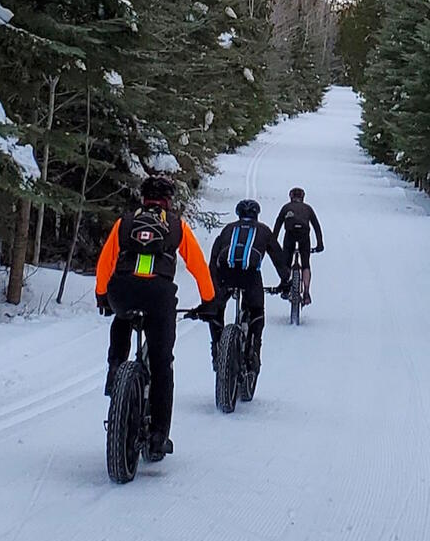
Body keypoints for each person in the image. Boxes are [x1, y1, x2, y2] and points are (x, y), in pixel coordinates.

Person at [95, 175, 216, 461]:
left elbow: (105, 261)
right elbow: (198, 266)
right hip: (159, 295)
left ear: (144, 198)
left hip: (122, 291)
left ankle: (115, 372)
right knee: (162, 363)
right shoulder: (177, 225)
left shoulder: (124, 222)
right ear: (169, 201)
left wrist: (103, 296)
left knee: (122, 319)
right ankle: (159, 434)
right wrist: (209, 301)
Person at [202, 199, 291, 374]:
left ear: (238, 214)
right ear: (256, 215)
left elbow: (213, 258)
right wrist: (285, 282)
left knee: (216, 309)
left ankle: (217, 346)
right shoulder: (264, 230)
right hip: (250, 276)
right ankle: (253, 351)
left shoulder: (228, 229)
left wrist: (213, 286)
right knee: (257, 311)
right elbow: (279, 259)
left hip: (225, 274)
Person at [272, 187, 324, 306]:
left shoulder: (286, 208)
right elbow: (316, 226)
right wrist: (320, 244)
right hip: (304, 235)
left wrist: (273, 243)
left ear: (291, 197)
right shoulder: (308, 208)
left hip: (290, 235)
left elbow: (278, 225)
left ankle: (285, 286)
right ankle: (306, 292)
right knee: (305, 264)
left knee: (286, 262)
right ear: (302, 197)